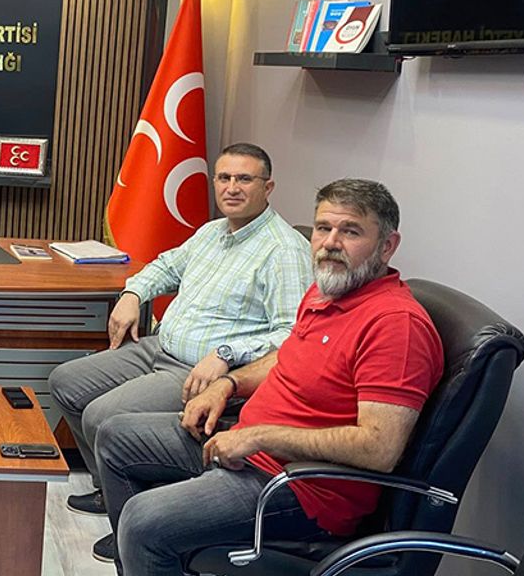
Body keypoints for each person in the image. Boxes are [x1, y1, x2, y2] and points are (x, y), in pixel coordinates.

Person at [95, 178, 444, 573]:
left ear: (387, 245)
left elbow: (379, 448)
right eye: (323, 228)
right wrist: (228, 384)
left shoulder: (396, 325)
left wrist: (259, 436)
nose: (330, 243)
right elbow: (287, 357)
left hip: (299, 488)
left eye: (350, 231)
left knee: (144, 520)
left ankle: (150, 550)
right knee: (115, 436)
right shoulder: (327, 292)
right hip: (247, 445)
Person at [48, 143, 312, 536]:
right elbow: (166, 266)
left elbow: (292, 335)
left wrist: (226, 354)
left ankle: (132, 526)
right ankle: (111, 490)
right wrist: (132, 294)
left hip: (198, 371)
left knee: (102, 416)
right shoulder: (213, 231)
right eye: (224, 178)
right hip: (158, 348)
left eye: (244, 179)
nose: (232, 188)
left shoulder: (284, 250)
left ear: (268, 187)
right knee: (66, 381)